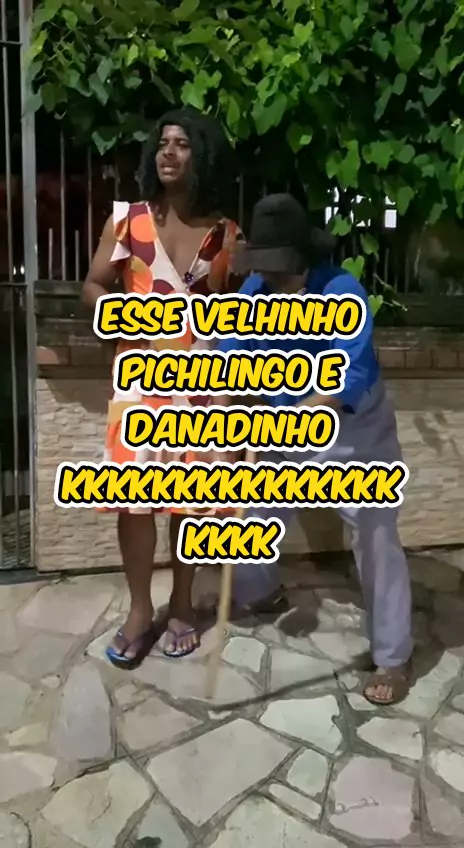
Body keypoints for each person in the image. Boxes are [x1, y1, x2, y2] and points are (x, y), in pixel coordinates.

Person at [217, 193, 413, 705]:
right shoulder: (253, 293)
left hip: (352, 430)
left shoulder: (342, 292)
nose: (267, 274)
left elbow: (345, 378)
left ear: (302, 257)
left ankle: (393, 656)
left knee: (374, 533)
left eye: (277, 264)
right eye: (262, 263)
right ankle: (260, 592)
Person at [82, 106, 244, 667]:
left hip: (202, 386)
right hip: (139, 384)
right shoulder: (127, 222)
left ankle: (181, 604)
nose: (168, 153)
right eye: (162, 143)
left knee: (190, 506)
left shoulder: (227, 235)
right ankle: (138, 610)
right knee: (133, 503)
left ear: (203, 156)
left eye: (182, 144)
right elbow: (93, 285)